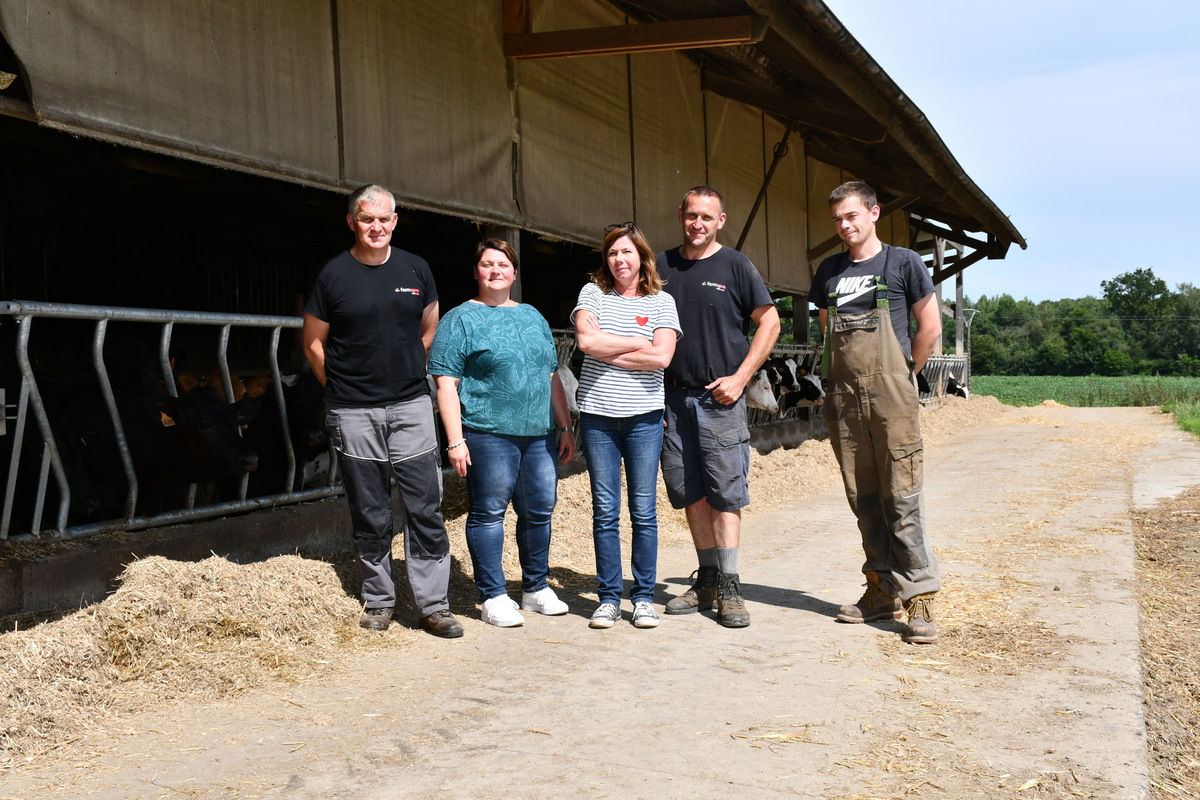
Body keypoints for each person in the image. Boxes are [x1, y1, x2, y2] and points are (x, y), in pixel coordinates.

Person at [302, 184, 463, 639]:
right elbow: (313, 342)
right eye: (367, 219)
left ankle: (433, 605)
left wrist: (409, 369)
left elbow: (428, 327)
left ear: (396, 220)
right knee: (370, 509)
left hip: (411, 405)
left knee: (425, 505)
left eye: (385, 219)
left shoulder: (417, 268)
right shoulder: (332, 275)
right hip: (353, 413)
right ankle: (379, 600)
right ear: (352, 221)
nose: (377, 227)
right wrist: (338, 389)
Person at [808, 180, 942, 645]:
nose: (845, 225)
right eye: (837, 219)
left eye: (852, 216)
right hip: (844, 397)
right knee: (863, 496)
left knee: (901, 494)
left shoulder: (902, 262)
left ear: (873, 213)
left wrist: (904, 375)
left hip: (891, 394)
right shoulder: (828, 271)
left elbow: (930, 327)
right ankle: (880, 589)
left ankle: (919, 595)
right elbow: (828, 332)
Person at [428, 239, 577, 628]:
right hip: (488, 431)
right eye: (487, 264)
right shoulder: (459, 319)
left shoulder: (532, 316)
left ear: (514, 272)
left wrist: (564, 426)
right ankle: (492, 595)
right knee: (488, 512)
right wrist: (455, 439)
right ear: (476, 272)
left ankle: (535, 588)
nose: (495, 271)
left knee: (539, 510)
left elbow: (551, 377)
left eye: (503, 264)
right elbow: (446, 383)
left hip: (539, 433)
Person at [657, 186, 781, 628]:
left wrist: (742, 377)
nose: (697, 224)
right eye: (691, 215)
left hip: (719, 397)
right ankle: (707, 577)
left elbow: (770, 320)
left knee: (725, 492)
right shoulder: (662, 266)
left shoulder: (736, 265)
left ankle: (730, 585)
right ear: (680, 214)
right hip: (671, 399)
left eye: (707, 217)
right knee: (690, 491)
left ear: (720, 221)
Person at [572, 222, 681, 629]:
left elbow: (663, 358)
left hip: (644, 418)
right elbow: (585, 342)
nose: (620, 260)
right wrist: (639, 341)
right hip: (599, 415)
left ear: (642, 258)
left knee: (643, 510)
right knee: (604, 511)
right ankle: (608, 597)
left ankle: (644, 597)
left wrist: (611, 346)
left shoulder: (662, 302)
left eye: (627, 253)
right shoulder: (592, 293)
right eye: (613, 253)